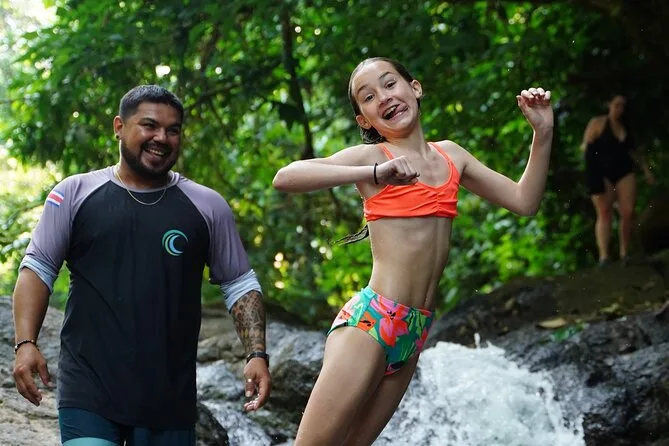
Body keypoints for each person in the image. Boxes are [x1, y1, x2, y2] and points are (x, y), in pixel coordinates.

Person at [272, 57, 553, 445]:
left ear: (415, 88)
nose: (384, 97)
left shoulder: (452, 156)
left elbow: (524, 201)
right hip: (370, 324)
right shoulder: (374, 158)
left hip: (414, 330)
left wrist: (542, 133)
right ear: (365, 120)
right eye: (369, 97)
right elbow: (285, 177)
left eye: (390, 84)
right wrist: (374, 174)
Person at [12, 85, 271, 446]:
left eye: (173, 130)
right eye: (149, 125)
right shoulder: (73, 194)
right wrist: (25, 342)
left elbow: (239, 285)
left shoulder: (207, 206)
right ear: (119, 127)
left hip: (169, 399)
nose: (161, 138)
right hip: (88, 390)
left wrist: (256, 354)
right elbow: (38, 269)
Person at [581, 94, 654, 266]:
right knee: (604, 212)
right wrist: (593, 176)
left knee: (628, 212)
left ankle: (624, 253)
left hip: (624, 171)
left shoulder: (626, 127)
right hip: (602, 172)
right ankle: (604, 256)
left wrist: (647, 171)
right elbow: (586, 147)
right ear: (609, 104)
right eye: (617, 105)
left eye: (623, 106)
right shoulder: (598, 123)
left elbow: (634, 151)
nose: (620, 109)